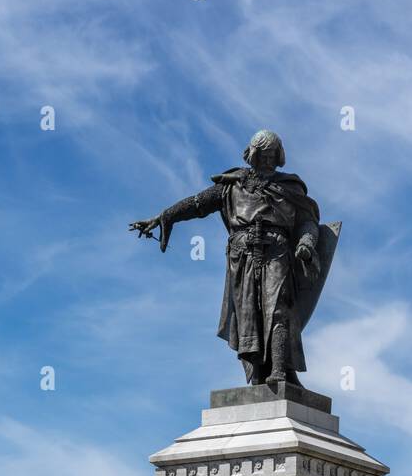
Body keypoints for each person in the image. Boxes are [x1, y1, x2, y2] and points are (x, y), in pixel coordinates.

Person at [130, 129, 321, 384]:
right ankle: (260, 375)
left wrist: (307, 243)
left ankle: (280, 371)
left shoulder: (289, 187)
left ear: (279, 156)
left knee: (277, 308)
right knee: (248, 316)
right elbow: (197, 204)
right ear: (252, 154)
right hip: (242, 254)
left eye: (272, 155)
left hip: (276, 250)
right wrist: (164, 216)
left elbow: (308, 221)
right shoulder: (232, 185)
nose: (267, 160)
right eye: (262, 155)